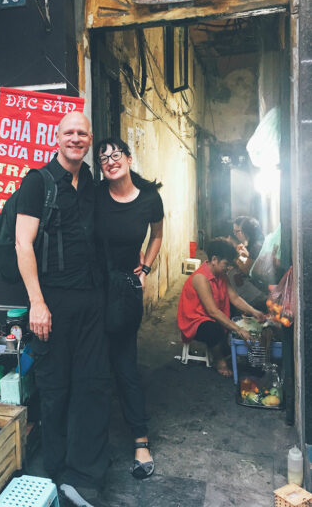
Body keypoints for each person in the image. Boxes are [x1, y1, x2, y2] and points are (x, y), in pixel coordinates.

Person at [15, 112, 110, 507]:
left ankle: (85, 471)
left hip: (91, 301)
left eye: (82, 133)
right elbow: (24, 245)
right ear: (57, 138)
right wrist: (37, 303)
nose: (76, 138)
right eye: (69, 132)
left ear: (89, 140)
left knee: (90, 386)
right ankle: (55, 469)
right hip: (51, 302)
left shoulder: (90, 182)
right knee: (55, 388)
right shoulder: (38, 182)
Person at [94, 137, 164, 481]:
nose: (110, 160)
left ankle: (140, 440)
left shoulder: (149, 197)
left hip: (124, 289)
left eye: (115, 153)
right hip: (92, 289)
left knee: (124, 364)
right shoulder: (94, 195)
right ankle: (92, 445)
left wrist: (146, 268)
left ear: (128, 157)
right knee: (92, 364)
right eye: (103, 157)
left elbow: (157, 235)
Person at [177, 237, 265, 377]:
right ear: (214, 259)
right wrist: (239, 329)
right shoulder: (201, 278)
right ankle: (219, 362)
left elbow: (235, 298)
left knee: (237, 316)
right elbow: (212, 311)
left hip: (212, 316)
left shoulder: (221, 275)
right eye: (226, 263)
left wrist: (254, 312)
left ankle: (223, 347)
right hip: (195, 321)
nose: (228, 267)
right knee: (215, 330)